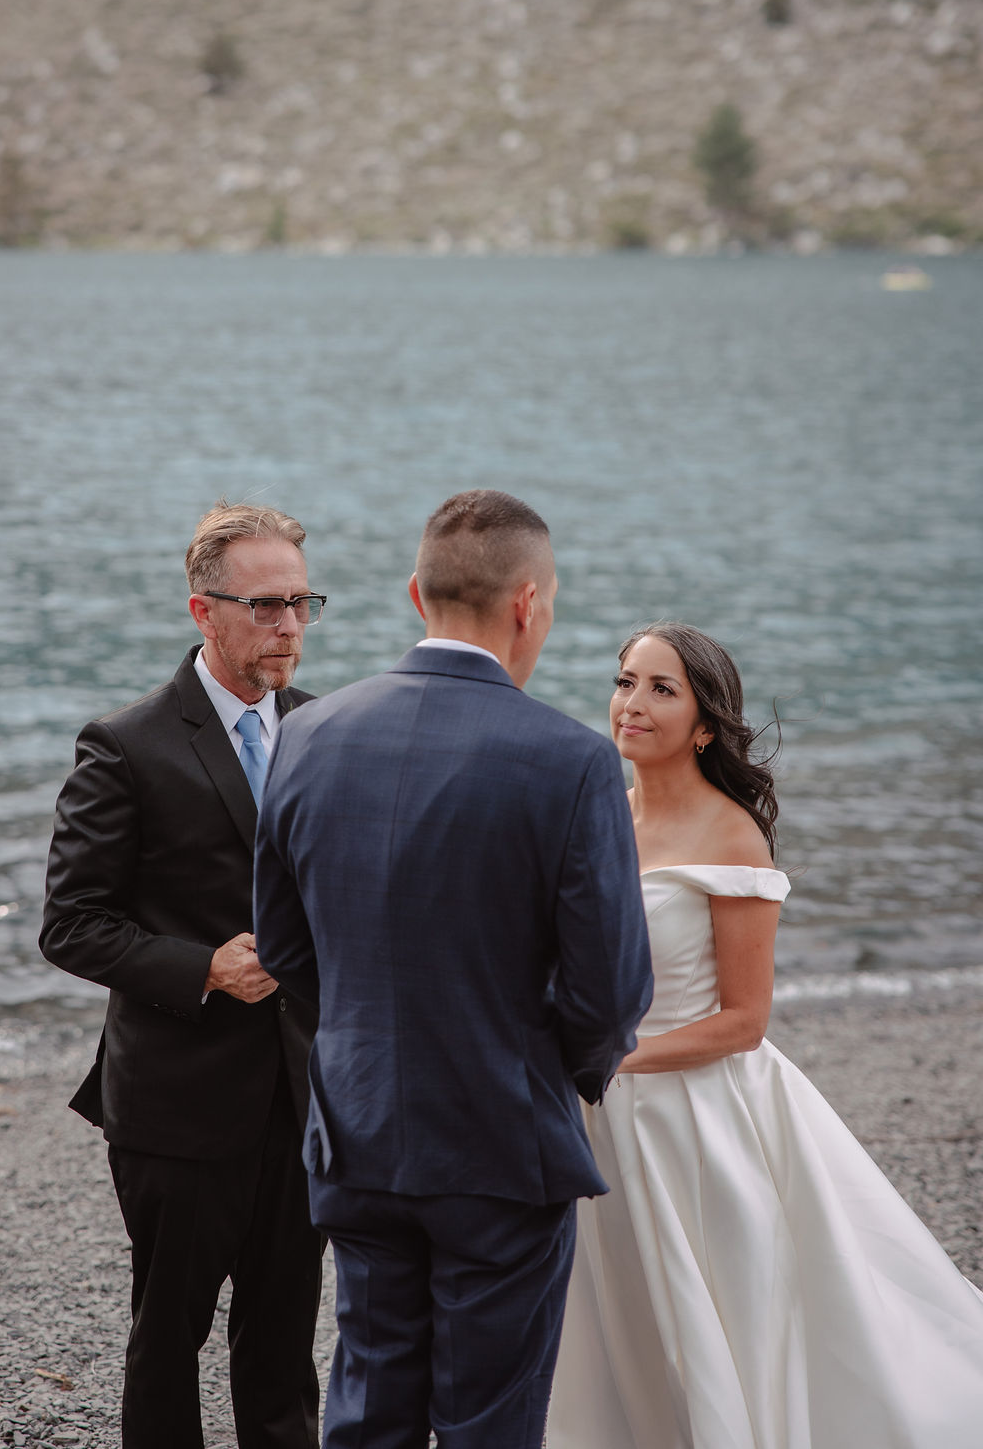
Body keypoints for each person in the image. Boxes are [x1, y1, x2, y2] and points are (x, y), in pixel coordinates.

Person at [253, 489, 653, 1449]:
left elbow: (284, 949)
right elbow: (610, 989)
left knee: (368, 1401)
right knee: (489, 1419)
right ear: (527, 603)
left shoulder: (306, 735)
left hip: (356, 1128)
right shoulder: (571, 761)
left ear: (414, 592)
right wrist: (551, 1070)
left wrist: (362, 1037)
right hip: (500, 1144)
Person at [547, 621, 983, 1449]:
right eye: (625, 680)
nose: (631, 703)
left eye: (661, 688)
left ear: (706, 724)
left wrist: (612, 1056)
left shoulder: (731, 836)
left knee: (720, 1312)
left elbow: (745, 1022)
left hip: (696, 1117)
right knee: (617, 1313)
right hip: (597, 1109)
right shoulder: (599, 812)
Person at [39, 501, 326, 1449]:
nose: (288, 625)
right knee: (168, 1342)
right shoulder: (123, 744)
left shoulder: (330, 733)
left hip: (306, 1097)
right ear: (204, 611)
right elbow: (71, 925)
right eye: (266, 605)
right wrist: (202, 967)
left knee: (284, 1347)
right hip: (176, 1104)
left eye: (301, 603)